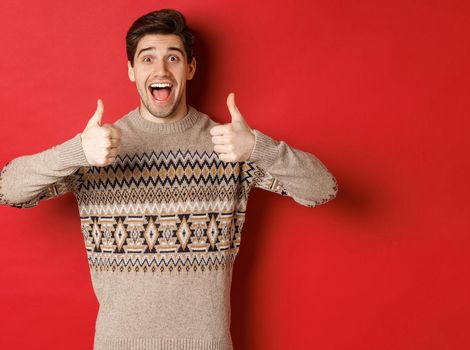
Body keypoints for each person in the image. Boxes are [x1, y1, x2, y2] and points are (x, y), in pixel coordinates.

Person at [0, 8, 337, 350]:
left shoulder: (229, 146)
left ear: (189, 68)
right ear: (131, 70)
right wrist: (76, 152)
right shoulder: (98, 149)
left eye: (172, 57)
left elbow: (323, 189)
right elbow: (8, 190)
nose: (160, 70)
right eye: (147, 59)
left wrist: (258, 148)